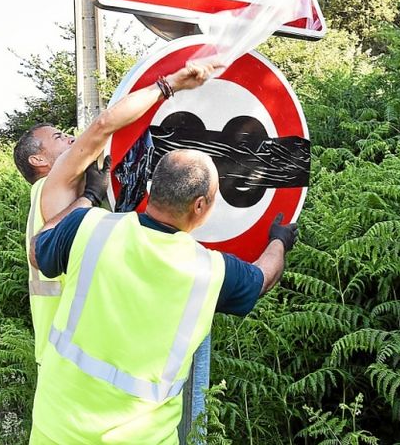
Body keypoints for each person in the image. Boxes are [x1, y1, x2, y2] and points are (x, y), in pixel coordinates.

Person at [28, 149, 297, 444]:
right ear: (199, 205)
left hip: (55, 428)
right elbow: (263, 279)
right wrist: (279, 241)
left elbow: (37, 249)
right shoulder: (209, 271)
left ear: (152, 187)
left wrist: (89, 196)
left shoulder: (89, 226)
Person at [12, 62, 219, 365]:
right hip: (73, 352)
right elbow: (104, 125)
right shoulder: (55, 180)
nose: (71, 139)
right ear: (38, 159)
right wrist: (170, 84)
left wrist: (91, 195)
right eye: (59, 138)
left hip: (60, 349)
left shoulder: (43, 195)